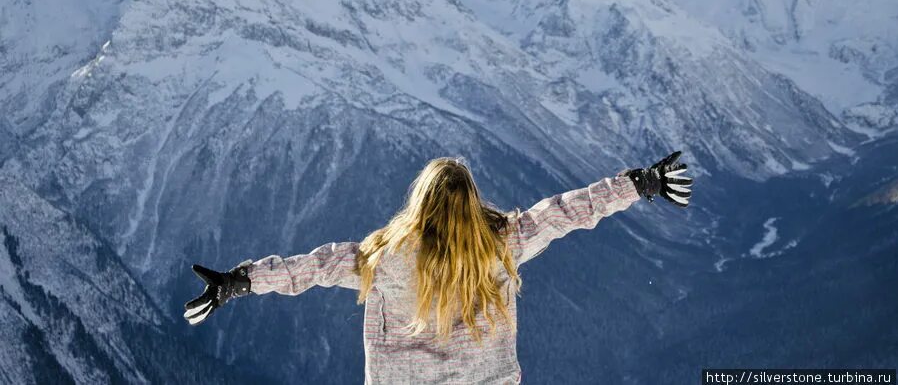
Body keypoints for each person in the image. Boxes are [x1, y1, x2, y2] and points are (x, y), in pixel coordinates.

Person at [184, 151, 694, 384]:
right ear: (473, 203)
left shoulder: (381, 259)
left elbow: (311, 268)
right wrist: (640, 183)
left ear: (419, 202)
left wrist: (238, 281)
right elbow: (566, 212)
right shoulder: (501, 244)